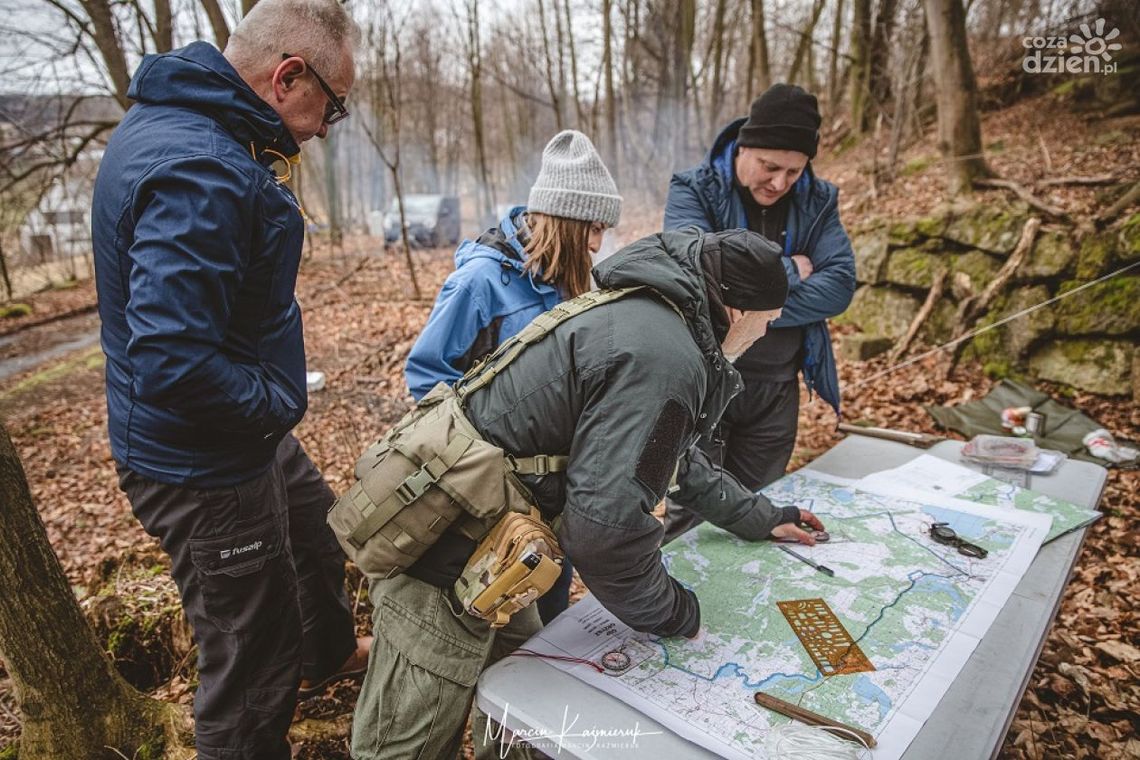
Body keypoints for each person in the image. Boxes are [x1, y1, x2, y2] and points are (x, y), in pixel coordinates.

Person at [351, 227, 825, 760]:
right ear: (737, 311)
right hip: (443, 556)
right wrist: (674, 611)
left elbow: (670, 456)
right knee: (406, 745)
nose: (767, 333)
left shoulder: (656, 319)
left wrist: (760, 516)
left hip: (501, 554)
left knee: (519, 714)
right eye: (768, 320)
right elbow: (604, 533)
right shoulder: (664, 355)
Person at [90, 2, 368, 757]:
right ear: (288, 77)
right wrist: (275, 402)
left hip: (235, 428)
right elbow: (171, 360)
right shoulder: (202, 168)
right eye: (332, 107)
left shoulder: (193, 125)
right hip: (202, 459)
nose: (324, 128)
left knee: (315, 530)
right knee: (251, 661)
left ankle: (327, 654)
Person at [404, 129, 621, 623]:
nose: (597, 244)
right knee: (496, 617)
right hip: (490, 496)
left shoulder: (572, 281)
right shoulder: (479, 282)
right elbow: (426, 375)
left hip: (554, 493)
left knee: (549, 606)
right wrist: (482, 464)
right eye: (593, 228)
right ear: (565, 221)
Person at [661, 83, 857, 542]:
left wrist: (749, 299)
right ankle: (670, 591)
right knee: (689, 515)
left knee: (764, 512)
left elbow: (839, 287)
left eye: (794, 171)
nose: (780, 183)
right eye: (769, 167)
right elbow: (698, 279)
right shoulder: (694, 189)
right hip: (706, 381)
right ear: (743, 147)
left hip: (776, 390)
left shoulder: (818, 199)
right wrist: (791, 269)